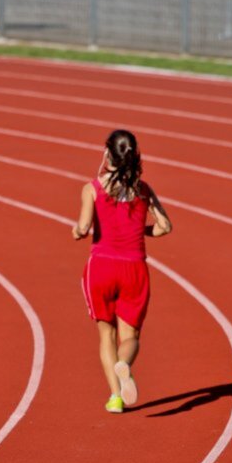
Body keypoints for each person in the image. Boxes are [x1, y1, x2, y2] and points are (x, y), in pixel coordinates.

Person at [72, 129, 173, 413]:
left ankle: (115, 397)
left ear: (107, 154)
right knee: (130, 339)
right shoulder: (143, 190)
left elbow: (82, 227)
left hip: (101, 267)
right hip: (135, 269)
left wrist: (77, 232)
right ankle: (124, 364)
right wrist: (140, 231)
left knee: (106, 335)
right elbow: (165, 227)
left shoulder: (92, 188)